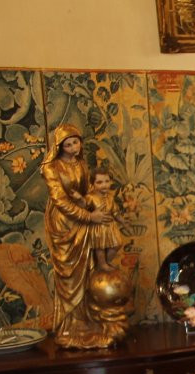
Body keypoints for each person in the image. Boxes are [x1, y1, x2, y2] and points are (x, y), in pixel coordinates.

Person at [41, 124, 120, 348]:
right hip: (63, 224)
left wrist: (96, 209)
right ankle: (68, 328)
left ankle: (87, 322)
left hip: (84, 223)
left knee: (87, 270)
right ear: (59, 147)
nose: (73, 147)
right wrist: (88, 216)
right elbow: (59, 200)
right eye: (67, 145)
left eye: (75, 142)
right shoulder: (51, 168)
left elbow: (87, 194)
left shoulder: (81, 164)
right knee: (69, 275)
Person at [83, 169, 124, 272]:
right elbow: (83, 209)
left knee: (117, 243)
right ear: (92, 184)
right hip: (98, 227)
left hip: (110, 227)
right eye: (99, 182)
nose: (104, 185)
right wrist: (80, 200)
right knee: (100, 246)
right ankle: (102, 264)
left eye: (107, 181)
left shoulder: (110, 198)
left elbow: (115, 212)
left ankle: (107, 261)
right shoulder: (90, 197)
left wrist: (122, 221)